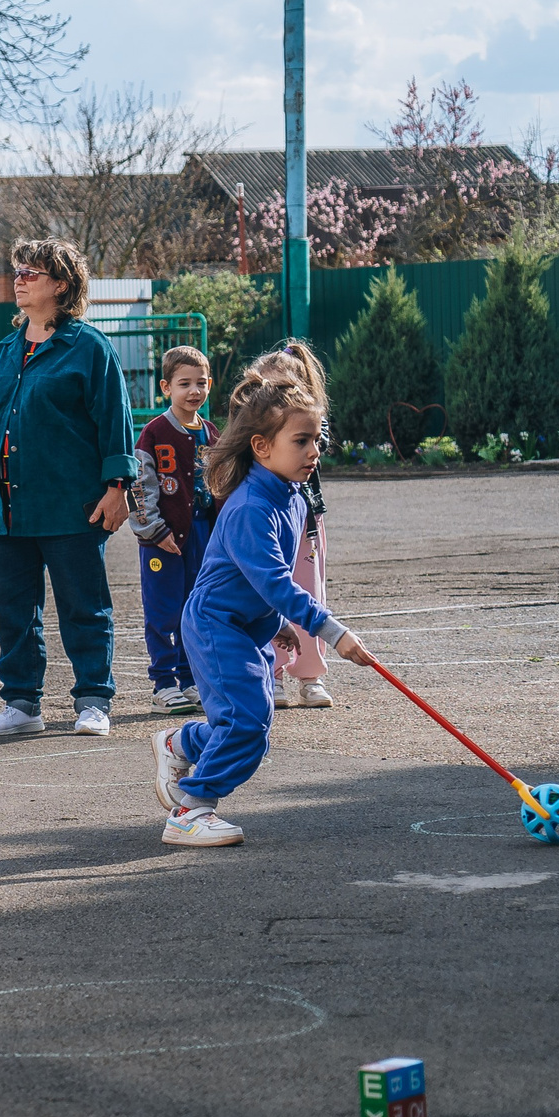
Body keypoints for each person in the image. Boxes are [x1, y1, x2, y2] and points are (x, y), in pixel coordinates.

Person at [153, 376, 373, 846]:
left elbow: (254, 582)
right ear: (262, 446)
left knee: (240, 720)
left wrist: (276, 625)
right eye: (301, 441)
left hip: (244, 627)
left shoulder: (292, 497)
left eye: (318, 438)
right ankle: (189, 811)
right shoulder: (252, 506)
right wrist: (330, 631)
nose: (314, 450)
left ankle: (182, 743)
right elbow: (274, 581)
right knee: (250, 723)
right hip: (215, 626)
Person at [0, 239, 134, 740]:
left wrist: (118, 488)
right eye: (18, 271)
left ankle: (93, 699)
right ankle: (22, 704)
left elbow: (116, 422)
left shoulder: (90, 348)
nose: (20, 278)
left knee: (83, 607)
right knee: (11, 611)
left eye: (33, 272)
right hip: (4, 510)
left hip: (72, 506)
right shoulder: (1, 353)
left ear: (62, 284)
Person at [245, 344, 341, 710]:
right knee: (269, 594)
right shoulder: (254, 429)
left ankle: (310, 676)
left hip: (304, 524)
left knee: (308, 593)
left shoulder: (310, 426)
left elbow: (318, 440)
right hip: (268, 519)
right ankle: (274, 673)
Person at [130, 345, 218, 714]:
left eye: (200, 383)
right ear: (166, 387)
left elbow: (222, 483)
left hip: (203, 535)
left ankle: (190, 678)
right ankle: (163, 682)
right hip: (163, 538)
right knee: (163, 609)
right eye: (184, 384)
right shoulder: (154, 433)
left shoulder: (212, 434)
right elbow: (139, 487)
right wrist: (153, 529)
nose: (193, 391)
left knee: (195, 608)